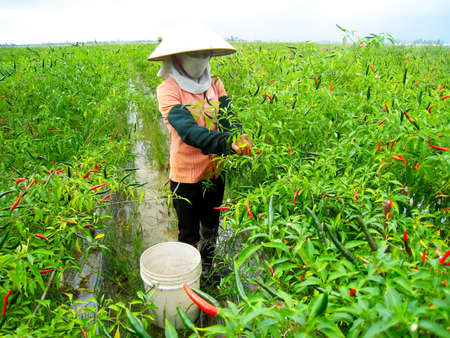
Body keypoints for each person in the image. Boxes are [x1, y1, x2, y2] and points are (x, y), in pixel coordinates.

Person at [147, 23, 251, 280]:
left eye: (205, 54)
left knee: (212, 225)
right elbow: (189, 132)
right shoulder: (168, 90)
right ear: (178, 58)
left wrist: (238, 136)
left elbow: (229, 118)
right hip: (185, 175)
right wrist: (228, 145)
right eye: (194, 55)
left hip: (216, 171)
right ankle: (188, 274)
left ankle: (207, 268)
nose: (200, 60)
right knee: (188, 231)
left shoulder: (214, 84)